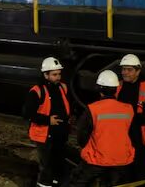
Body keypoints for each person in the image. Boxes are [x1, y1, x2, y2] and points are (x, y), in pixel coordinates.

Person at [68, 70, 134, 186]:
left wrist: (87, 148)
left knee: (77, 182)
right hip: (121, 160)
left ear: (99, 89)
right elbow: (130, 132)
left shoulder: (93, 109)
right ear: (116, 89)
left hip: (97, 159)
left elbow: (82, 135)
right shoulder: (128, 109)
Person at [23, 56, 71, 186]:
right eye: (54, 74)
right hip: (44, 135)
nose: (58, 77)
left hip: (59, 134)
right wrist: (47, 120)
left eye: (59, 74)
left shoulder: (63, 87)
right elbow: (28, 114)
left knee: (57, 165)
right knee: (47, 168)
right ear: (46, 75)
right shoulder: (36, 91)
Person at [116, 54, 145, 183]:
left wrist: (130, 117)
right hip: (123, 136)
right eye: (123, 69)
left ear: (138, 71)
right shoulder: (119, 86)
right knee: (124, 170)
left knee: (141, 172)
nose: (125, 73)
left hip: (140, 139)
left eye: (129, 70)